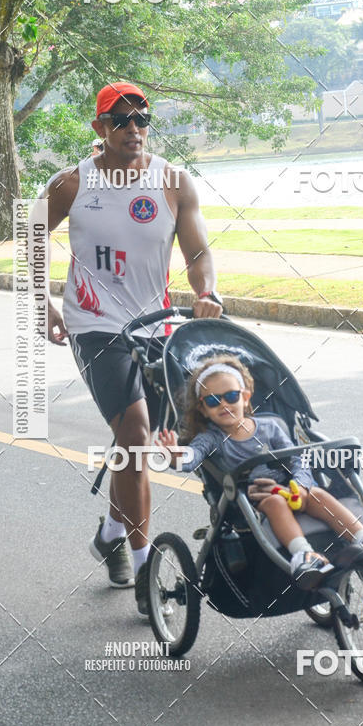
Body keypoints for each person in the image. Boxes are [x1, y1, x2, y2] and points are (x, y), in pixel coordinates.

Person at [41, 81, 222, 618]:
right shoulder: (71, 184)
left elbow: (198, 252)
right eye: (120, 120)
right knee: (138, 435)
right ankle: (146, 572)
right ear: (98, 128)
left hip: (156, 327)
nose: (133, 129)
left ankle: (112, 533)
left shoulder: (173, 182)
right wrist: (43, 303)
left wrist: (207, 291)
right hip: (94, 325)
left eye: (142, 119)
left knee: (141, 443)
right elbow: (27, 239)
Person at [157, 354, 363, 588]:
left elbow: (296, 457)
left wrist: (301, 484)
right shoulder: (210, 438)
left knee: (318, 495)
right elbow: (192, 458)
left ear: (245, 397)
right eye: (213, 400)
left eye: (231, 396)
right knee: (275, 503)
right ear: (203, 408)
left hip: (291, 488)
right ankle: (303, 556)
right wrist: (174, 457)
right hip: (253, 499)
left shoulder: (270, 427)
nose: (224, 405)